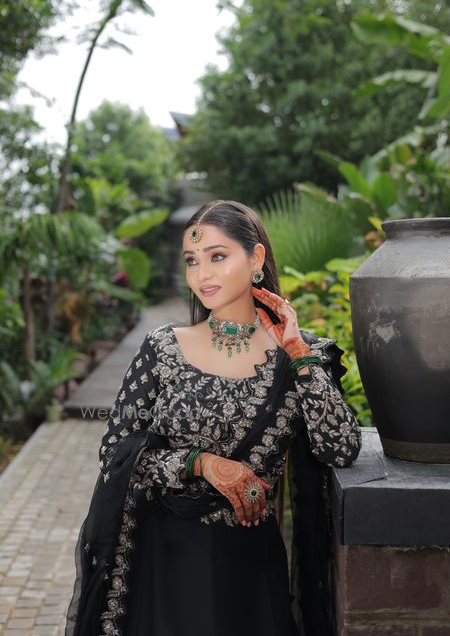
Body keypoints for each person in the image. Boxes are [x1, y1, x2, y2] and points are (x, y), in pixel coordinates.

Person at [64, 199, 362, 636]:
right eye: (192, 261)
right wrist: (200, 463)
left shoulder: (303, 354)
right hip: (160, 565)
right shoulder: (163, 347)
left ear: (256, 258)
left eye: (217, 256)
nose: (202, 274)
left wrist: (297, 353)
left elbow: (341, 447)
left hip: (247, 572)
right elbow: (116, 451)